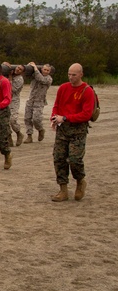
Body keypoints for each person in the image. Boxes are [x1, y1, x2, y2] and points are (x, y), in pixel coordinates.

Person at [50, 63, 96, 202]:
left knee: (75, 159)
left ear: (81, 74)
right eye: (69, 74)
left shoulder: (87, 91)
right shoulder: (63, 88)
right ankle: (63, 189)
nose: (71, 77)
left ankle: (80, 181)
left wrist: (65, 118)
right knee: (59, 159)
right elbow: (57, 105)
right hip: (62, 129)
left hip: (78, 130)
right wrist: (54, 118)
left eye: (74, 75)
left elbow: (86, 114)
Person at [24, 63, 53, 143]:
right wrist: (29, 67)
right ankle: (29, 136)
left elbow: (41, 79)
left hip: (39, 101)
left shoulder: (48, 79)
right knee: (27, 118)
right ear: (41, 69)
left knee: (36, 119)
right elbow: (27, 75)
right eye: (44, 69)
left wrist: (35, 68)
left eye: (48, 70)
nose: (46, 71)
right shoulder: (35, 75)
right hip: (31, 100)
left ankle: (40, 129)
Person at [8, 65, 25, 146]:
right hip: (5, 100)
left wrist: (10, 79)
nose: (18, 69)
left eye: (20, 69)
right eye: (18, 67)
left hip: (14, 101)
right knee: (5, 121)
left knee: (12, 120)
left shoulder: (19, 79)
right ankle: (9, 138)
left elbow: (13, 90)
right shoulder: (8, 74)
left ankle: (18, 133)